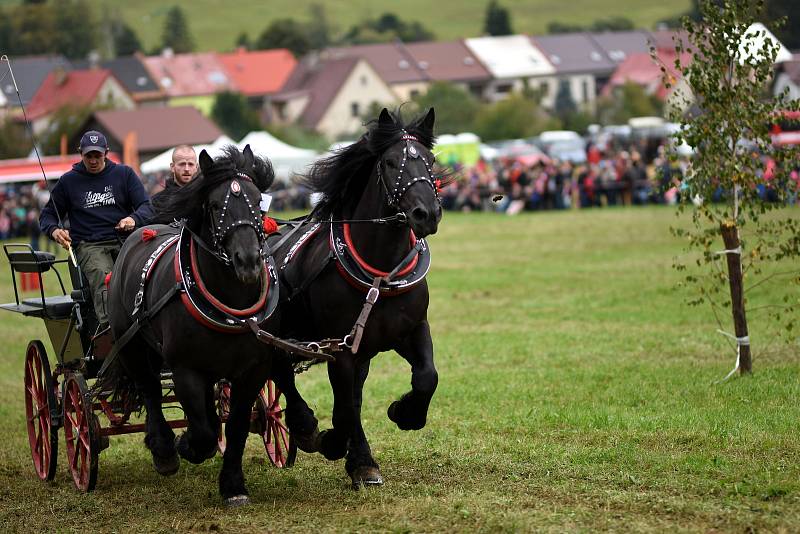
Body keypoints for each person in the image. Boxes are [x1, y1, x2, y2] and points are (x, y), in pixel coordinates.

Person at [39, 130, 152, 328]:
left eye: (97, 155)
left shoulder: (124, 174)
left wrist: (133, 219)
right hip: (89, 244)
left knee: (145, 272)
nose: (93, 160)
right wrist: (55, 230)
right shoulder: (68, 181)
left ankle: (148, 321)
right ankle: (111, 327)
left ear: (106, 153)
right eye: (88, 156)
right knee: (104, 275)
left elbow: (147, 206)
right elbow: (47, 215)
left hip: (125, 240)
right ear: (80, 153)